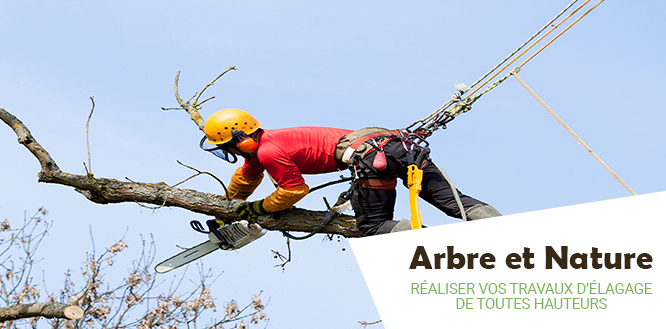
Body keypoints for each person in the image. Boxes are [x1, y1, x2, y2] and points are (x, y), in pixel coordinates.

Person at [200, 109, 501, 236]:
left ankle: (428, 243)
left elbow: (293, 191)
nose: (228, 152)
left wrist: (258, 208)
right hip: (400, 148)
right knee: (455, 203)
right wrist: (227, 209)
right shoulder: (265, 146)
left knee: (373, 226)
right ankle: (502, 229)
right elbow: (246, 178)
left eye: (226, 146)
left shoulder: (268, 151)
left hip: (371, 162)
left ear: (243, 140)